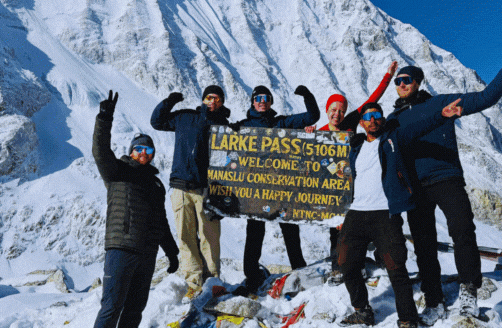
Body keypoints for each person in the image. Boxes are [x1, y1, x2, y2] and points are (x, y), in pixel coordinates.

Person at [390, 38, 502, 322]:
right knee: (423, 246)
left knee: (463, 231)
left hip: (446, 178)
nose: (402, 84)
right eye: (397, 81)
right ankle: (434, 301)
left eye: (406, 80)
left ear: (417, 82)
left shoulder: (440, 103)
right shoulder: (393, 119)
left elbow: (485, 98)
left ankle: (469, 291)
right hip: (416, 188)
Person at [337, 99, 463, 328]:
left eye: (377, 116)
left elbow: (418, 128)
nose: (373, 120)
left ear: (383, 120)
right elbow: (338, 131)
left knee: (396, 268)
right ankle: (362, 310)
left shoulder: (394, 139)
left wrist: (442, 115)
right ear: (361, 123)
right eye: (368, 117)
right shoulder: (355, 146)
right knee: (346, 264)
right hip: (356, 213)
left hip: (385, 213)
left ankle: (407, 321)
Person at [88, 90, 179, 328]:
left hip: (147, 253)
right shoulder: (118, 172)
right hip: (121, 248)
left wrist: (172, 252)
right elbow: (100, 151)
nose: (144, 154)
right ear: (131, 151)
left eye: (149, 151)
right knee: (112, 305)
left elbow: (161, 222)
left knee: (135, 309)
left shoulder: (155, 185)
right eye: (139, 149)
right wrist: (104, 118)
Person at [306, 62, 399, 283]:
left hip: (353, 184)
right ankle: (338, 265)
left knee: (356, 226)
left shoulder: (350, 123)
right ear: (327, 110)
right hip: (330, 189)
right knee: (335, 229)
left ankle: (362, 263)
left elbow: (372, 101)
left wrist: (388, 76)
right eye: (333, 110)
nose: (337, 114)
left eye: (341, 110)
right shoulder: (319, 134)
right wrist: (307, 134)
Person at [232, 84, 320, 294]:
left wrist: (307, 95)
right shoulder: (243, 126)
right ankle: (251, 275)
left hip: (282, 187)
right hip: (256, 188)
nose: (262, 101)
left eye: (266, 98)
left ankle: (298, 270)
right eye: (258, 98)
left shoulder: (281, 123)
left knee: (290, 229)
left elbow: (312, 117)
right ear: (253, 102)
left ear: (271, 102)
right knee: (255, 232)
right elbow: (218, 137)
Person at [150, 85, 230, 298]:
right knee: (186, 237)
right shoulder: (185, 117)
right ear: (203, 99)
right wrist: (169, 102)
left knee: (209, 237)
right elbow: (157, 121)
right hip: (181, 187)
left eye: (218, 99)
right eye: (209, 97)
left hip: (208, 190)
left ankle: (212, 280)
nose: (213, 101)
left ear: (222, 103)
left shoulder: (223, 126)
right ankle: (193, 282)